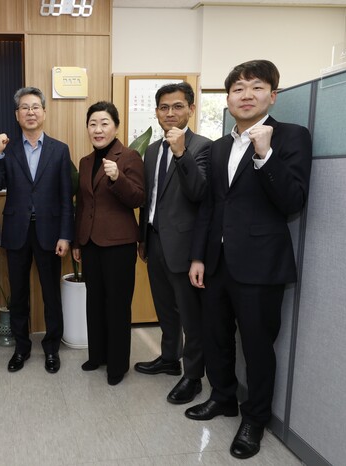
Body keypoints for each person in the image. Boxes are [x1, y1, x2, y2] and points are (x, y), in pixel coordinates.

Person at [185, 60, 312, 460]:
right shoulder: (219, 146)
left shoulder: (292, 136)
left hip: (260, 264)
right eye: (238, 89)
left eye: (256, 87)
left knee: (257, 347)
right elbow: (209, 207)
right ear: (227, 99)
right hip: (217, 260)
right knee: (216, 336)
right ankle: (223, 396)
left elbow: (293, 200)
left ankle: (255, 418)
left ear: (272, 95)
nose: (246, 95)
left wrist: (265, 154)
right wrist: (198, 256)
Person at [0, 86, 74, 374]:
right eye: (24, 107)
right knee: (19, 294)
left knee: (51, 294)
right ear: (17, 114)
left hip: (50, 232)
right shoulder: (7, 150)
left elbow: (66, 196)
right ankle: (21, 348)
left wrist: (65, 235)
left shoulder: (60, 150)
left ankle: (51, 349)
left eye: (35, 107)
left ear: (44, 112)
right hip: (17, 231)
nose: (30, 112)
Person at [134, 83, 211, 404]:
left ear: (191, 109)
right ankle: (169, 358)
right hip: (154, 241)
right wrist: (143, 238)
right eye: (164, 107)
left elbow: (200, 193)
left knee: (191, 317)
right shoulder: (152, 150)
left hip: (184, 247)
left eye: (178, 106)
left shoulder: (203, 147)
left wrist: (181, 153)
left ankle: (193, 377)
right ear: (156, 112)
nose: (170, 113)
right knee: (165, 308)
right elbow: (150, 199)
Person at [72, 101, 145, 386]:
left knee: (117, 305)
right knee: (94, 302)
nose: (98, 129)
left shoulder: (129, 157)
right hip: (90, 242)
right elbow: (82, 204)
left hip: (119, 244)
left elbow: (137, 198)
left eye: (104, 123)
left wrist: (118, 177)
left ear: (116, 126)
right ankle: (97, 355)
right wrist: (78, 241)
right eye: (93, 124)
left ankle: (117, 365)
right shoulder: (85, 161)